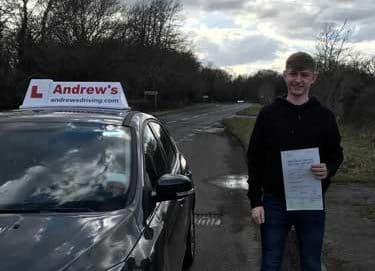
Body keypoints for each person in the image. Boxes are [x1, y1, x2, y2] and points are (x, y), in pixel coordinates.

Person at [247, 51, 344, 271]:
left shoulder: (324, 116)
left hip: (311, 202)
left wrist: (328, 168)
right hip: (274, 202)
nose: (298, 80)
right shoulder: (268, 114)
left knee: (311, 262)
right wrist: (256, 201)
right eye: (293, 74)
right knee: (271, 262)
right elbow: (254, 158)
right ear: (284, 75)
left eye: (304, 75)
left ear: (313, 78)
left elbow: (336, 153)